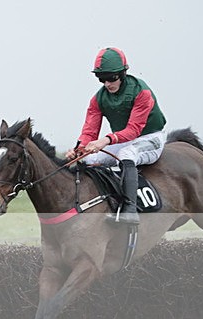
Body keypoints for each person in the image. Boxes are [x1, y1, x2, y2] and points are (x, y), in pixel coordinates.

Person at [65, 47, 167, 225]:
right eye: (101, 78)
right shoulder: (98, 99)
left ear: (123, 73)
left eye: (111, 78)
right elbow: (89, 131)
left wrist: (106, 140)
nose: (107, 83)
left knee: (126, 154)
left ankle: (130, 209)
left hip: (151, 137)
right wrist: (79, 150)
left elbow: (134, 130)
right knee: (89, 159)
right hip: (124, 139)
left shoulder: (141, 92)